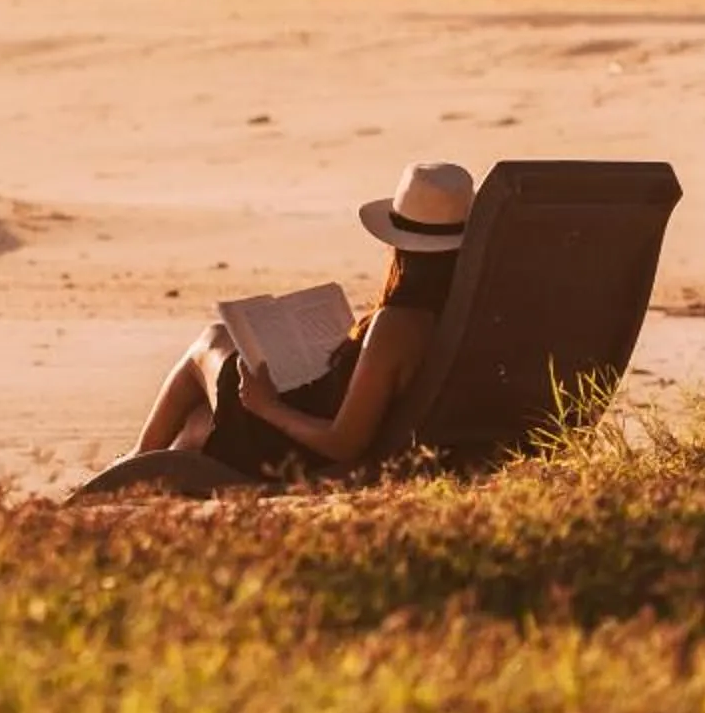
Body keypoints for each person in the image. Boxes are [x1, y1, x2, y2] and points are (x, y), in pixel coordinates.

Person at [130, 160, 471, 481]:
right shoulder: (461, 313)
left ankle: (132, 464)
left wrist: (268, 407)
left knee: (211, 341)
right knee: (196, 426)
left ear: (399, 247)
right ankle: (141, 472)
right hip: (313, 435)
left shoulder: (397, 325)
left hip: (308, 453)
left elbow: (344, 442)